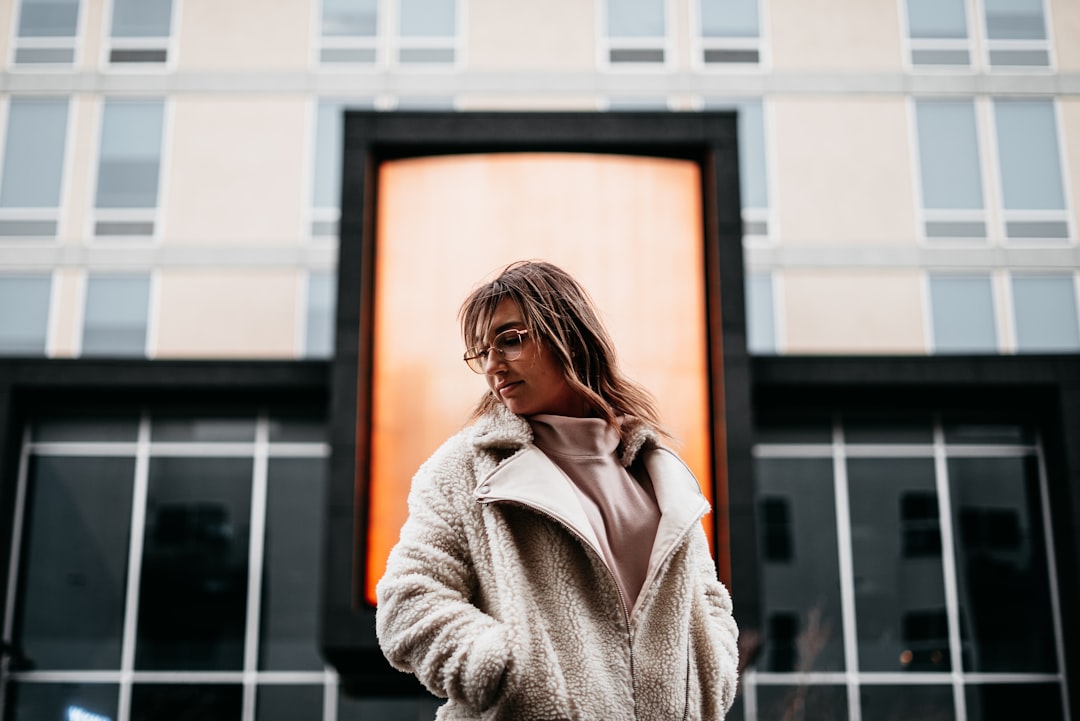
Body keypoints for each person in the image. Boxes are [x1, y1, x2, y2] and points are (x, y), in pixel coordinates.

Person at [375, 260, 739, 720]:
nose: (493, 366)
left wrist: (714, 674)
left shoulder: (657, 470)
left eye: (509, 340)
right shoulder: (469, 468)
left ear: (567, 334)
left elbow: (708, 601)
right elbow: (409, 601)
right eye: (481, 352)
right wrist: (511, 672)